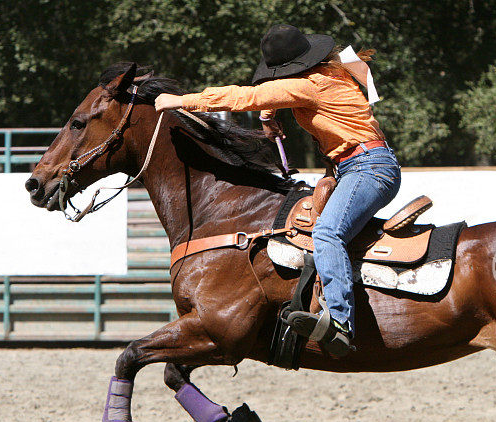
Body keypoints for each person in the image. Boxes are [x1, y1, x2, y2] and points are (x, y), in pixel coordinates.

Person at [155, 24, 401, 357]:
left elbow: (249, 96)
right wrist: (269, 116)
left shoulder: (310, 87)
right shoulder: (328, 76)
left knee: (328, 233)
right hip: (364, 166)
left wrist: (184, 101)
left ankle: (341, 324)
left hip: (367, 169)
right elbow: (271, 99)